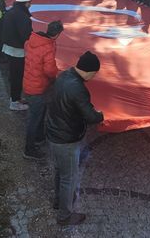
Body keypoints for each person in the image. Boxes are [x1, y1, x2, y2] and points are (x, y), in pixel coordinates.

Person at [46, 51, 104, 226]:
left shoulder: (64, 76)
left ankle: (58, 201)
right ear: (88, 71)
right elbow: (90, 116)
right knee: (68, 178)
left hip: (53, 133)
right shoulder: (78, 88)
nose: (93, 77)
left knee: (59, 171)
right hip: (66, 139)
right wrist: (101, 115)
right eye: (94, 74)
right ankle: (65, 216)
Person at [23, 20, 64, 160]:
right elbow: (49, 70)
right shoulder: (48, 47)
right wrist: (57, 75)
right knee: (34, 118)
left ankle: (39, 138)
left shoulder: (31, 41)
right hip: (38, 87)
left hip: (29, 83)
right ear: (58, 34)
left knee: (39, 113)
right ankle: (29, 149)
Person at [2, 0, 34, 111]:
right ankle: (14, 101)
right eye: (30, 3)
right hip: (17, 50)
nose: (30, 5)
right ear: (26, 3)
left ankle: (15, 98)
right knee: (17, 76)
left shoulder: (11, 12)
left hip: (8, 47)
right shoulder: (23, 17)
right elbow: (25, 35)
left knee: (14, 74)